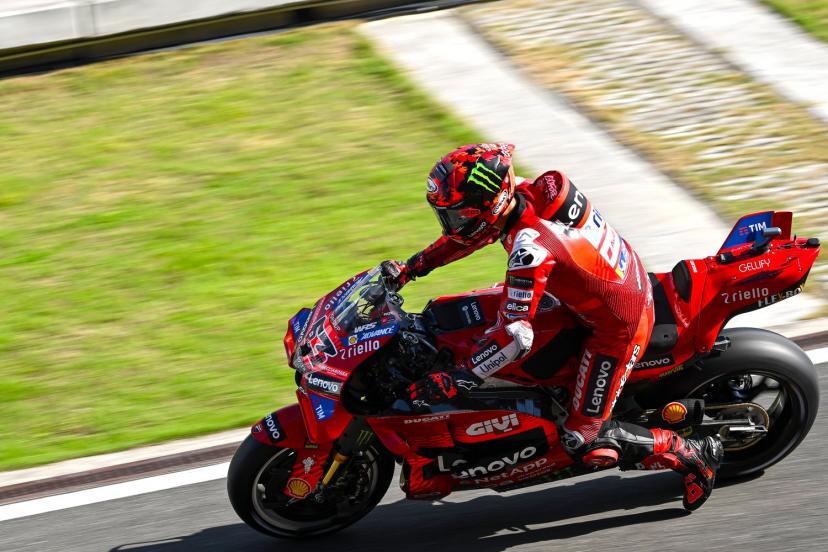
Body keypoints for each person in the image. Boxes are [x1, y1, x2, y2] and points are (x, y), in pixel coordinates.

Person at [381, 143, 723, 511]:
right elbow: (475, 235)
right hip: (589, 292)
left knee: (585, 440)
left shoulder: (530, 248)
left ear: (489, 206)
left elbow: (515, 337)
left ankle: (689, 453)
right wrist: (414, 266)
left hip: (617, 325)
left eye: (458, 215)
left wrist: (459, 379)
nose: (452, 224)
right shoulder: (526, 192)